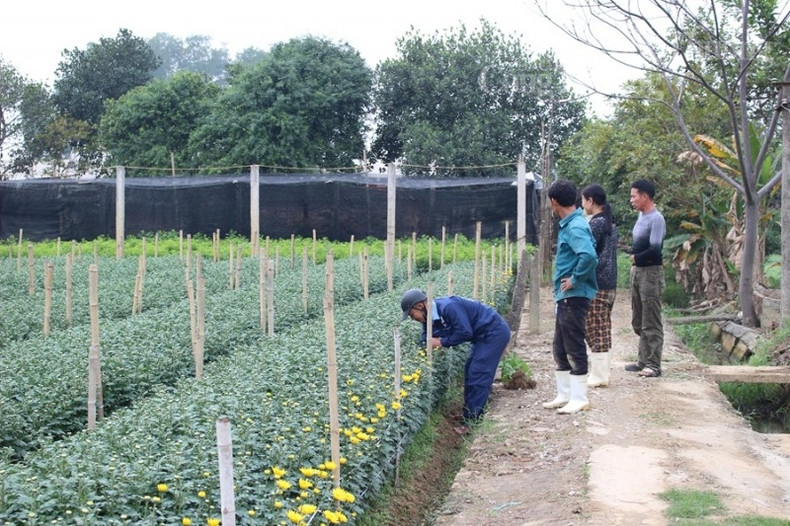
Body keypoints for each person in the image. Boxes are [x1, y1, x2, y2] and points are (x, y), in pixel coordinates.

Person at [400, 288, 511, 435]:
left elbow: (465, 332)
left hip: (493, 333)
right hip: (481, 337)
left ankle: (472, 421)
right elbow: (426, 337)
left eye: (412, 315)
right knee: (469, 371)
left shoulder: (448, 307)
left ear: (420, 306)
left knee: (478, 374)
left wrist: (441, 342)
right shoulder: (429, 317)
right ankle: (469, 414)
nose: (413, 318)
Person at [541, 179, 598, 414]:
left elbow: (589, 257)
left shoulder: (575, 227)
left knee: (573, 344)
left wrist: (574, 279)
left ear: (554, 201)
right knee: (560, 346)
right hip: (564, 297)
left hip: (573, 296)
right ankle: (564, 394)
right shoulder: (571, 224)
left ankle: (579, 397)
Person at [624, 179, 666, 378]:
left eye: (634, 196)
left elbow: (655, 250)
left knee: (651, 320)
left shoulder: (656, 219)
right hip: (638, 272)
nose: (631, 200)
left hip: (650, 273)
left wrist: (636, 257)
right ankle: (643, 360)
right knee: (638, 318)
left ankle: (654, 364)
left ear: (645, 196)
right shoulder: (641, 216)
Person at [580, 184, 618, 387]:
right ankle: (601, 372)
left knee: (595, 328)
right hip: (610, 283)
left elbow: (587, 255)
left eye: (583, 200)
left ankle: (600, 375)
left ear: (590, 201)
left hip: (597, 284)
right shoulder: (610, 223)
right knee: (602, 326)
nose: (581, 204)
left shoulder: (595, 224)